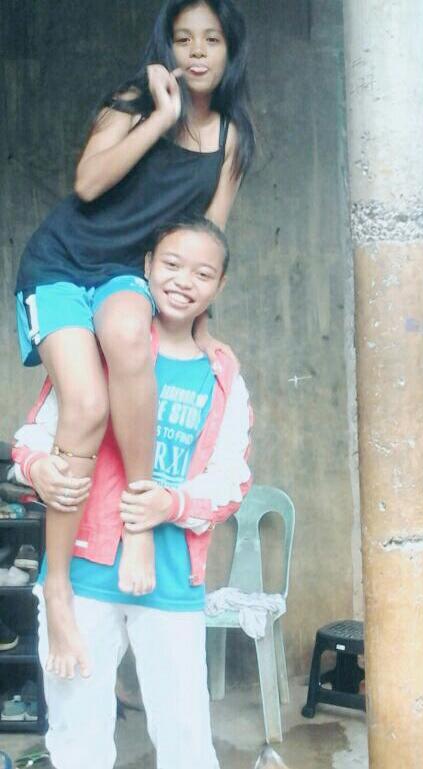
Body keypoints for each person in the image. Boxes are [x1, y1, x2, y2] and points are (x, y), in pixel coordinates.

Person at [14, 0, 255, 678]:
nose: (197, 51)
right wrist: (160, 116)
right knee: (85, 408)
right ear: (166, 47)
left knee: (131, 340)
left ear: (231, 50)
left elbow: (207, 239)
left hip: (127, 273)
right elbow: (88, 183)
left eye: (211, 39)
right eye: (183, 39)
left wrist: (200, 331)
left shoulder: (231, 137)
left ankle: (139, 518)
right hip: (61, 264)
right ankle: (57, 584)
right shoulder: (132, 101)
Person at [12, 217, 252, 768]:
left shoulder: (222, 376)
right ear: (145, 267)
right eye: (171, 264)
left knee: (186, 739)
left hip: (169, 578)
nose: (184, 281)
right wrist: (38, 468)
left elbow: (232, 479)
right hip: (83, 573)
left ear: (219, 286)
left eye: (203, 273)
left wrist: (174, 503)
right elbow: (34, 436)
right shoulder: (100, 349)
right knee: (77, 737)